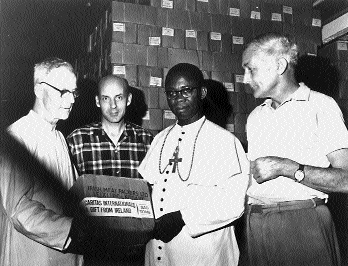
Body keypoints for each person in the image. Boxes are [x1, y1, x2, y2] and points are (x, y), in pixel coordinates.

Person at [242, 32, 348, 266]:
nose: (244, 78)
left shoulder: (321, 106)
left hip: (302, 224)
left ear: (280, 65)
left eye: (251, 69)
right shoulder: (255, 116)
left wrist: (288, 168)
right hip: (255, 223)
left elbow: (346, 179)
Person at [138, 63, 250, 266]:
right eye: (171, 93)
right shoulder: (160, 139)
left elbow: (235, 202)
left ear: (202, 92)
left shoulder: (224, 141)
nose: (178, 98)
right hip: (158, 251)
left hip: (202, 254)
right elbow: (147, 187)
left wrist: (183, 217)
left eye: (186, 91)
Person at [0, 57, 83, 266]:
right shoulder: (20, 136)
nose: (71, 100)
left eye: (74, 92)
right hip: (32, 255)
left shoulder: (60, 138)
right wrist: (70, 230)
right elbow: (18, 208)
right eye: (63, 91)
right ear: (38, 89)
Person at [67, 75, 154, 265]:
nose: (113, 106)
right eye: (106, 98)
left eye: (119, 97)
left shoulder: (148, 141)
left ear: (129, 99)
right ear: (97, 101)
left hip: (135, 251)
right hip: (92, 251)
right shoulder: (77, 141)